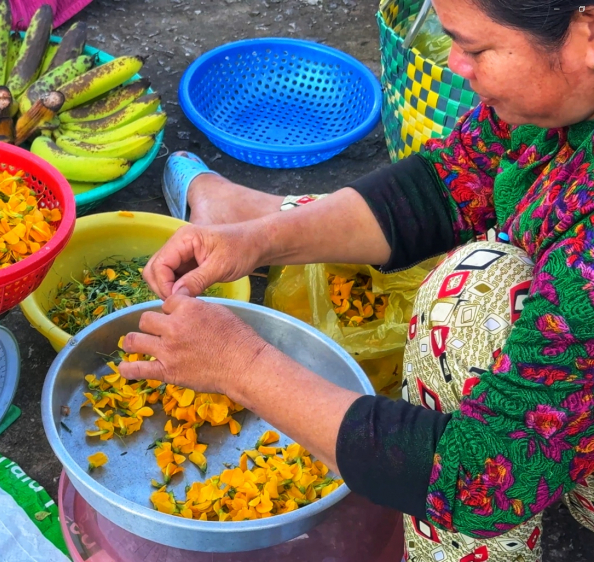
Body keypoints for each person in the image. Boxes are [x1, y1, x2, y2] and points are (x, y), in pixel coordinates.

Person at [118, 1, 594, 560]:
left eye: (476, 48)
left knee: (470, 297)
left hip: (510, 462)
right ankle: (240, 209)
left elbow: (481, 476)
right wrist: (256, 238)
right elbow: (448, 182)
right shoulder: (548, 105)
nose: (456, 66)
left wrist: (241, 368)